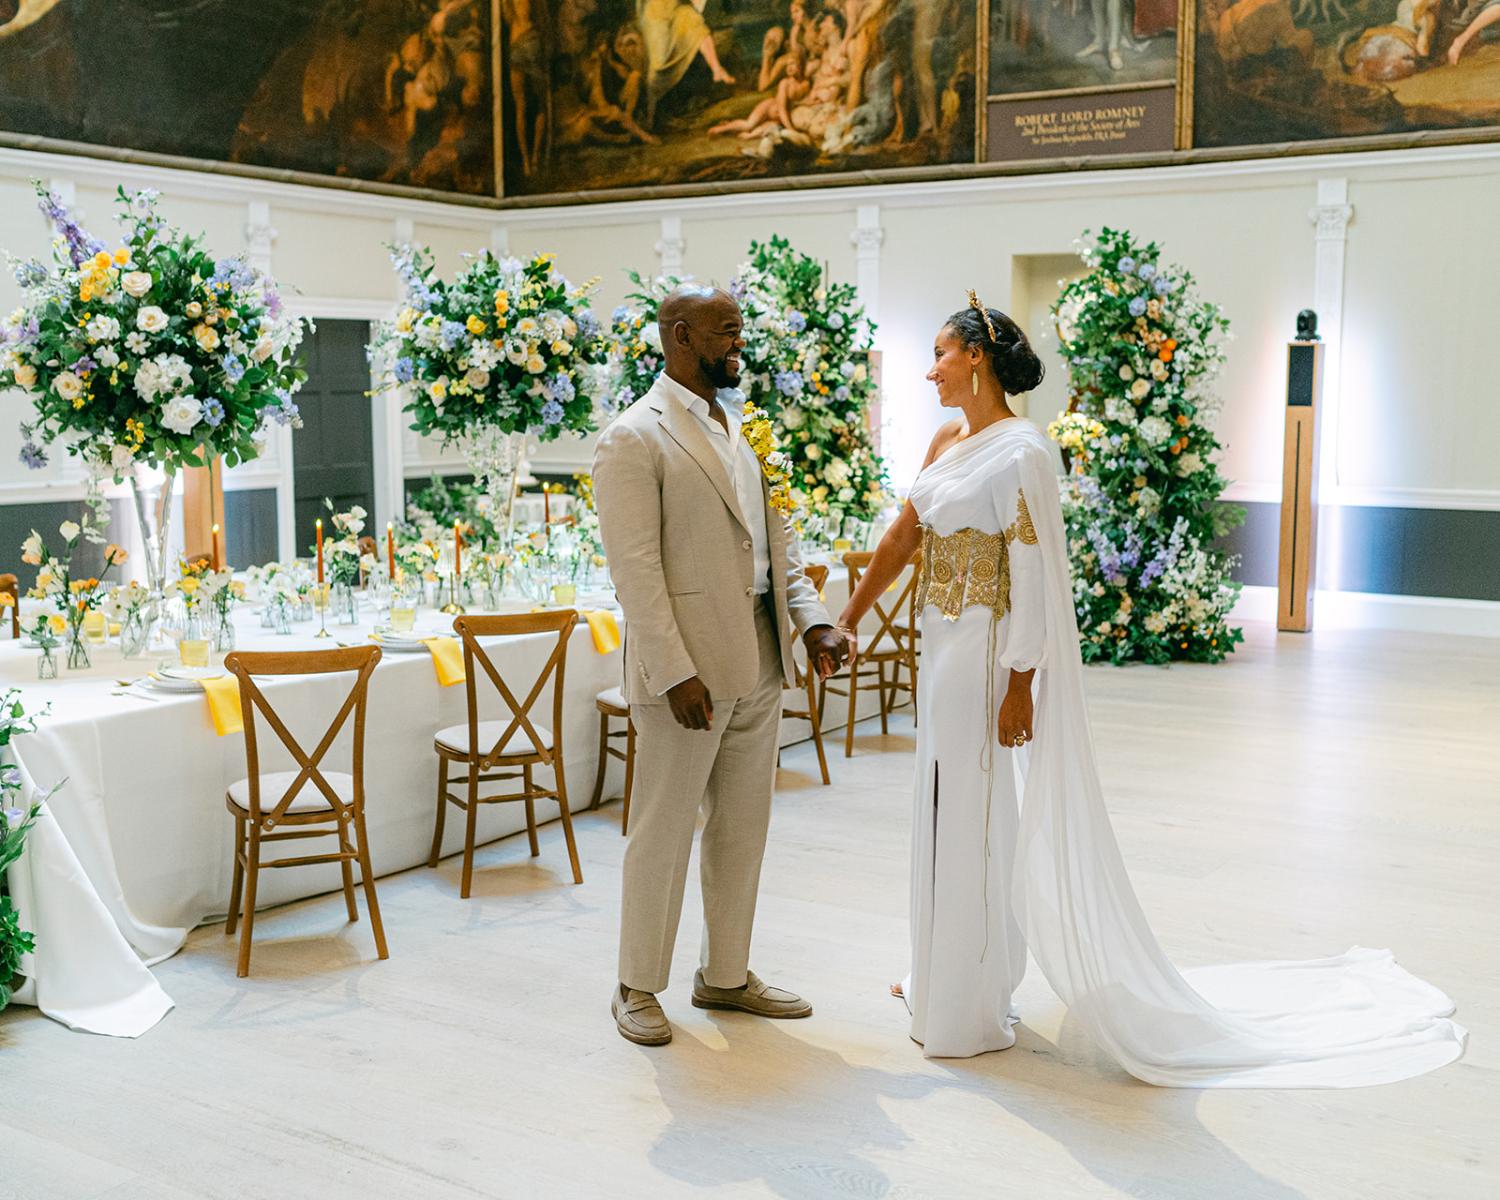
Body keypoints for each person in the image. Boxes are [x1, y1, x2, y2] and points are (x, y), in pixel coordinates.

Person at [836, 292, 1468, 1085]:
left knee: (976, 813)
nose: (930, 370)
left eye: (939, 354)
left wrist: (1021, 683)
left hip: (986, 654)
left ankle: (968, 996)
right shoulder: (944, 441)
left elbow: (1034, 575)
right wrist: (847, 618)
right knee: (938, 807)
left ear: (978, 357)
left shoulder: (1023, 452)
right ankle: (937, 972)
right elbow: (905, 533)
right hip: (940, 646)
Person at [593, 285, 850, 1047]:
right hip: (686, 676)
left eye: (739, 328)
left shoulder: (745, 428)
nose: (739, 341)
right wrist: (673, 670)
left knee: (743, 829)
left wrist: (814, 622)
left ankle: (726, 976)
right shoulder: (633, 437)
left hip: (760, 661)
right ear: (680, 335)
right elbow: (635, 572)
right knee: (663, 832)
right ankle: (636, 985)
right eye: (725, 330)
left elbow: (777, 549)